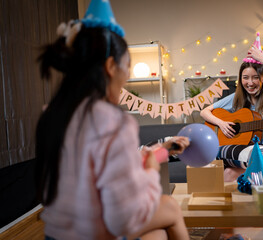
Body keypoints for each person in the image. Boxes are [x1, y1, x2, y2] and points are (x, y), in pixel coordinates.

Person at [35, 1, 190, 239]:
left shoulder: (52, 116)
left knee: (157, 234)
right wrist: (150, 174)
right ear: (110, 66)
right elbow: (124, 219)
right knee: (169, 206)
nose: (126, 77)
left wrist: (162, 150)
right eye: (126, 68)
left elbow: (106, 165)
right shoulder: (112, 122)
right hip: (95, 232)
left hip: (57, 235)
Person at [200, 44, 263, 179]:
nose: (250, 82)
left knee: (254, 174)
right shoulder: (236, 98)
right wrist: (222, 123)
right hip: (247, 155)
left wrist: (261, 58)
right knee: (228, 174)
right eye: (245, 77)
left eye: (255, 77)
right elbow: (204, 112)